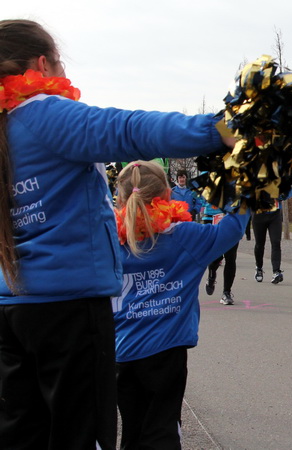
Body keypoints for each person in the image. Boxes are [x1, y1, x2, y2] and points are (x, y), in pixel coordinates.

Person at [0, 20, 235, 449]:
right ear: (41, 65)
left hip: (9, 308)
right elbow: (128, 130)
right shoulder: (42, 113)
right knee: (80, 436)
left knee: (21, 437)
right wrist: (220, 129)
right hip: (67, 307)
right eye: (60, 65)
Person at [112, 161, 248, 447]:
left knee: (132, 432)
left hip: (120, 351)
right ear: (168, 193)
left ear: (119, 197)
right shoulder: (185, 237)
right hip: (166, 351)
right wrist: (238, 187)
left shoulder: (109, 240)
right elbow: (234, 227)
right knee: (163, 429)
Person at [199, 196, 241, 305]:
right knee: (216, 257)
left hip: (231, 221)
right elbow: (199, 197)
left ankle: (226, 292)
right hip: (212, 219)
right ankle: (211, 275)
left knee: (230, 258)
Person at [252, 201, 284, 284]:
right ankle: (259, 267)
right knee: (259, 244)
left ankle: (276, 271)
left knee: (276, 242)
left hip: (275, 214)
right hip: (259, 214)